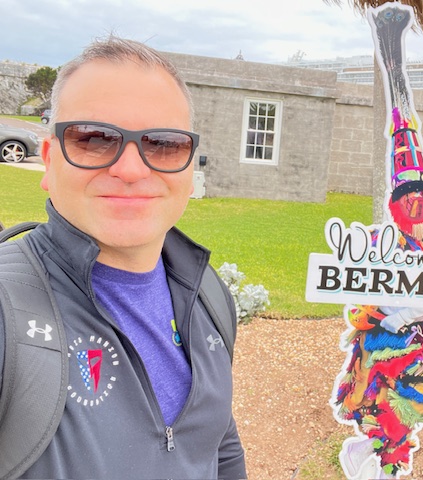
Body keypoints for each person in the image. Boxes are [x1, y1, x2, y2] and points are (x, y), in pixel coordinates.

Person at [0, 37, 246, 479]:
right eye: (94, 138)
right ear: (49, 158)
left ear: (190, 170)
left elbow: (217, 441)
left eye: (164, 144)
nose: (132, 169)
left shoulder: (208, 295)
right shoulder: (7, 305)